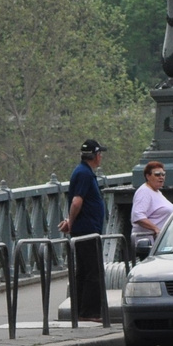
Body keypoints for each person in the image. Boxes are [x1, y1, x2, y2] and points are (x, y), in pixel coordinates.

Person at [57, 138, 107, 321]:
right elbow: (77, 201)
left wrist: (71, 221)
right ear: (95, 155)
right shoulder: (85, 174)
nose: (101, 157)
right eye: (100, 153)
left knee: (85, 271)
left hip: (85, 228)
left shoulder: (83, 172)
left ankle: (79, 311)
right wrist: (71, 221)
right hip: (87, 230)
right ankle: (90, 312)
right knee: (93, 271)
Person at [130, 161, 173, 257]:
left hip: (160, 244)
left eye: (163, 174)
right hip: (148, 246)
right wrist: (156, 229)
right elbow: (138, 216)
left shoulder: (157, 192)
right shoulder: (144, 192)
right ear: (148, 176)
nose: (161, 177)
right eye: (157, 174)